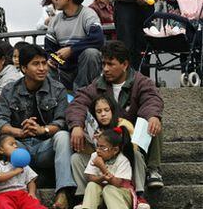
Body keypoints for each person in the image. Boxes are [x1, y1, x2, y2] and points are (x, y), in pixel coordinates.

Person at [67, 41, 164, 190]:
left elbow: (152, 99)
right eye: (103, 64)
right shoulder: (97, 84)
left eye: (111, 64)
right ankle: (83, 195)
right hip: (108, 144)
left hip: (133, 143)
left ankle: (153, 170)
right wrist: (76, 126)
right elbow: (78, 103)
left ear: (124, 64)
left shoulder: (141, 82)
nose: (105, 69)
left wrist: (152, 115)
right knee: (76, 158)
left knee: (154, 120)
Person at [0, 44, 76, 209]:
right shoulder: (10, 90)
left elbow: (61, 121)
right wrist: (18, 132)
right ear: (23, 68)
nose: (42, 68)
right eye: (36, 64)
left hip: (45, 147)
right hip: (19, 147)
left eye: (44, 63)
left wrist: (41, 130)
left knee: (63, 135)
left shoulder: (57, 89)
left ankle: (63, 193)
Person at [71, 94, 150, 209]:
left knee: (137, 155)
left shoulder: (123, 125)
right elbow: (88, 152)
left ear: (112, 111)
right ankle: (83, 197)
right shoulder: (93, 127)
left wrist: (111, 141)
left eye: (106, 110)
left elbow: (133, 148)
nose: (103, 114)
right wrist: (94, 142)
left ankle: (139, 195)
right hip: (98, 161)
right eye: (98, 111)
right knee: (76, 158)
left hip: (120, 167)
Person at [45, 0, 104, 92]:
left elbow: (98, 39)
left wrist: (71, 50)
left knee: (91, 53)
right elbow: (49, 49)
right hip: (63, 68)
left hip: (83, 68)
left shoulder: (88, 14)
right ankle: (54, 100)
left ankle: (82, 96)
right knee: (44, 65)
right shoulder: (56, 20)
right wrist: (52, 59)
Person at [78, 128, 135, 209]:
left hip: (121, 196)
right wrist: (102, 178)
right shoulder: (95, 156)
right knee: (91, 185)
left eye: (103, 148)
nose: (98, 150)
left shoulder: (122, 160)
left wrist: (102, 167)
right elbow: (91, 178)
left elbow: (117, 184)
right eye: (97, 146)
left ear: (115, 150)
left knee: (109, 189)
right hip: (102, 195)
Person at [0, 134, 47, 209]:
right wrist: (14, 172)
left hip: (22, 194)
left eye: (16, 144)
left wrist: (32, 193)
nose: (16, 146)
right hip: (3, 195)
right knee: (1, 204)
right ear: (1, 150)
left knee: (34, 205)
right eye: (11, 144)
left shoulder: (23, 164)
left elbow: (30, 181)